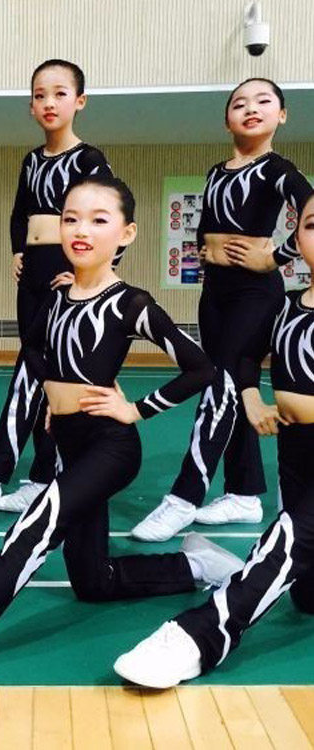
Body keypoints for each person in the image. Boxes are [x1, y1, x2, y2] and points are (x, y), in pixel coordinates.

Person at [0, 176, 244, 688]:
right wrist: (55, 396)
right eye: (70, 218)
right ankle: (195, 566)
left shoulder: (131, 303)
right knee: (94, 581)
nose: (81, 230)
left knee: (37, 524)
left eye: (98, 220)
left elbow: (201, 368)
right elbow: (32, 349)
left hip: (111, 447)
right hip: (69, 443)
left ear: (126, 233)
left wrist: (136, 409)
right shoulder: (57, 295)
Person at [115, 192, 314, 688]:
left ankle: (199, 635)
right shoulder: (286, 306)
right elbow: (244, 358)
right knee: (306, 593)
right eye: (312, 226)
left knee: (287, 543)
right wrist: (251, 399)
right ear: (296, 238)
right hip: (295, 455)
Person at [0, 59, 119, 534]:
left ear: (80, 101)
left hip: (66, 275)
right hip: (33, 277)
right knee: (41, 377)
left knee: (29, 371)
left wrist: (90, 275)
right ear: (31, 106)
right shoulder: (32, 160)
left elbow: (113, 214)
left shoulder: (89, 160)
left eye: (60, 93)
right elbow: (20, 212)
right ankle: (42, 477)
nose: (49, 103)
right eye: (40, 95)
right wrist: (18, 250)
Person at [132, 78, 314, 542]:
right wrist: (204, 252)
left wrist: (275, 257)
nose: (251, 108)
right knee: (231, 388)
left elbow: (310, 210)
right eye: (239, 103)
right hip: (215, 293)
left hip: (256, 293)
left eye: (264, 101)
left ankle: (184, 496)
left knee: (219, 383)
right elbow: (210, 223)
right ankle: (244, 493)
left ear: (282, 115)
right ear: (226, 119)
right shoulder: (216, 172)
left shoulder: (278, 169)